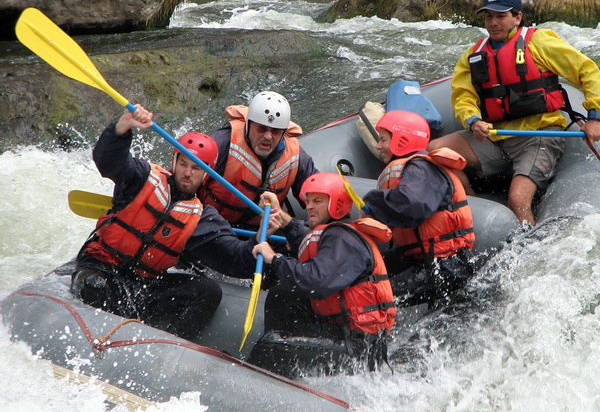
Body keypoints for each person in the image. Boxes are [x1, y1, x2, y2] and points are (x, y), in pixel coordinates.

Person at [70, 104, 260, 342]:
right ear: (174, 161)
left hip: (143, 285)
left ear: (207, 174)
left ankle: (168, 346)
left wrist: (260, 240)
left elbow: (234, 256)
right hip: (103, 268)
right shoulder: (141, 177)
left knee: (207, 291)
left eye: (196, 168)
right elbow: (107, 161)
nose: (188, 173)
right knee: (94, 286)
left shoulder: (201, 217)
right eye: (183, 164)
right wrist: (123, 126)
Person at [427, 0, 600, 226]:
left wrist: (593, 117)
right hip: (496, 136)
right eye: (488, 16)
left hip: (539, 135)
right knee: (435, 151)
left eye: (500, 16)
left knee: (518, 199)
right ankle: (473, 212)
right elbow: (463, 97)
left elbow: (587, 70)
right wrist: (473, 120)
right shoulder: (474, 54)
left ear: (517, 17)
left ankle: (530, 247)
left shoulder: (539, 42)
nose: (493, 22)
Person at [247, 173, 396, 374]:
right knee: (282, 295)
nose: (308, 206)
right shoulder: (337, 233)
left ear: (338, 203)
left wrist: (275, 258)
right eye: (308, 201)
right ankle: (288, 374)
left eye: (317, 201)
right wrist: (281, 217)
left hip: (359, 349)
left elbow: (316, 281)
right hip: (344, 336)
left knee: (271, 347)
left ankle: (264, 375)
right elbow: (310, 243)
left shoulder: (343, 239)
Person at [362, 110, 475, 306]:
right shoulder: (414, 169)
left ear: (402, 140)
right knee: (366, 271)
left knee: (373, 294)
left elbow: (414, 205)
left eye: (383, 139)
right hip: (426, 259)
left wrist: (373, 203)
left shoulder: (421, 168)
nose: (378, 146)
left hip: (444, 266)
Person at [199, 91, 317, 228]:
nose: (268, 136)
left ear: (284, 132)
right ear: (248, 125)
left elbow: (320, 202)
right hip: (212, 226)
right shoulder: (222, 143)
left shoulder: (296, 157)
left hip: (262, 230)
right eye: (261, 129)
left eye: (275, 131)